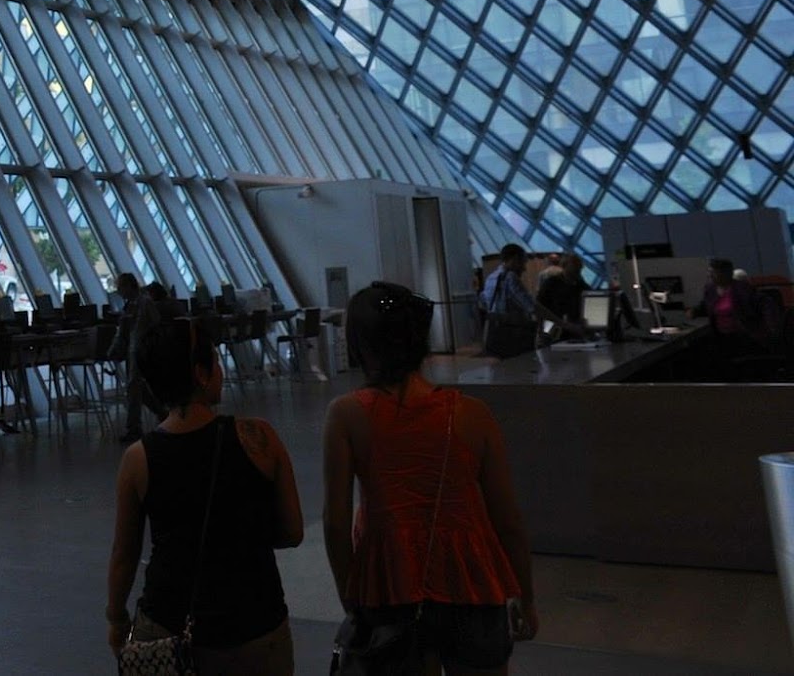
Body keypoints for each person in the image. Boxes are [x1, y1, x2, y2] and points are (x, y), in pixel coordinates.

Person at [324, 282, 537, 675]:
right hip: (471, 577)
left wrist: (349, 596)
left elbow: (335, 524)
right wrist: (525, 595)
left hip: (389, 582)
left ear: (361, 345)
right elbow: (507, 520)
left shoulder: (346, 415)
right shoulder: (472, 414)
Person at [105, 317, 302, 675]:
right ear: (200, 373)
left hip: (169, 629)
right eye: (215, 360)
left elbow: (124, 554)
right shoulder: (259, 438)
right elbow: (292, 531)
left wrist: (117, 618)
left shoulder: (138, 459)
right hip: (257, 625)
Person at [106, 273, 147, 442]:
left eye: (120, 288)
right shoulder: (135, 304)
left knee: (134, 387)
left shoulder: (140, 304)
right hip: (136, 350)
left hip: (139, 350)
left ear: (129, 286)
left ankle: (134, 428)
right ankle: (158, 415)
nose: (119, 292)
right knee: (137, 388)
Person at [534, 252, 590, 336]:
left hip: (556, 327)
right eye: (575, 270)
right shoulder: (580, 285)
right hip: (563, 327)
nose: (576, 273)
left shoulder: (550, 281)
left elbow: (539, 304)